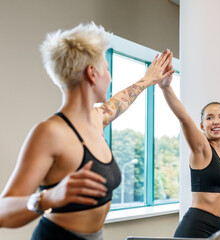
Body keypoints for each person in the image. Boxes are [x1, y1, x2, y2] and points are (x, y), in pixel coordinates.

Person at [0, 22, 173, 240]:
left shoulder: (96, 119)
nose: (109, 77)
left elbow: (120, 101)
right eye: (107, 69)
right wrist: (49, 198)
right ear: (92, 73)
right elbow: (3, 211)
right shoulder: (50, 133)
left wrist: (148, 80)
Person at [159, 53, 220, 238]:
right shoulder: (202, 148)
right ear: (202, 125)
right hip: (195, 227)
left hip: (215, 227)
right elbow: (184, 119)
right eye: (210, 118)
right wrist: (166, 88)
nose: (216, 122)